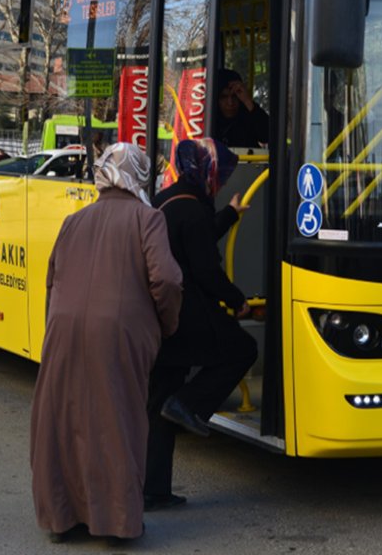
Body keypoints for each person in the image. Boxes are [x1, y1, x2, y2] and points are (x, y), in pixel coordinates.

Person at [30, 143, 183, 545]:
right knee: (117, 420)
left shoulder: (74, 220)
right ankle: (116, 522)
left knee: (64, 419)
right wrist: (165, 324)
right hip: (118, 333)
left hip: (63, 330)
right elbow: (167, 279)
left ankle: (63, 519)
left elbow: (52, 278)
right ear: (140, 176)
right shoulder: (148, 218)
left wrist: (54, 328)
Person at [144, 137, 258, 511]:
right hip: (187, 315)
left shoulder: (165, 200)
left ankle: (153, 490)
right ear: (206, 172)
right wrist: (238, 301)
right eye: (219, 174)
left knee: (159, 402)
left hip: (157, 315)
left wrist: (230, 214)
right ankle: (190, 405)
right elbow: (206, 269)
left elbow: (197, 237)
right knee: (242, 349)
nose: (221, 181)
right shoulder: (193, 210)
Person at [211, 68, 271, 148]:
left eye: (235, 96)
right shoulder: (208, 122)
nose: (230, 103)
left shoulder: (247, 116)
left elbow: (268, 136)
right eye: (224, 97)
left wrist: (248, 102)